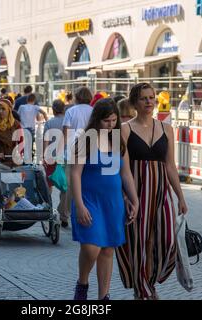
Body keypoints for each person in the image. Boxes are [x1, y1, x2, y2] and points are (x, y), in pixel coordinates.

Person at [116, 83, 188, 300]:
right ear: (134, 103)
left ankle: (147, 282)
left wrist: (180, 197)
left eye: (151, 97)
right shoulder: (125, 129)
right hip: (136, 191)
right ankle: (144, 289)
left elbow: (170, 166)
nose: (149, 102)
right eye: (143, 98)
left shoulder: (167, 129)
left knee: (166, 240)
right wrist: (128, 196)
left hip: (161, 191)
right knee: (137, 242)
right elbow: (124, 167)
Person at [71, 98, 139, 300]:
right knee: (91, 248)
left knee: (108, 251)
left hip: (113, 203)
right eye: (105, 121)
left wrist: (134, 200)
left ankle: (104, 297)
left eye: (113, 121)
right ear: (96, 120)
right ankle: (82, 283)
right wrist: (79, 205)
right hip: (88, 200)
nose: (110, 125)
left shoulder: (118, 142)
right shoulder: (85, 140)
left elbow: (126, 174)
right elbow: (75, 174)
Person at [62, 86, 94, 228]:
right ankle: (86, 213)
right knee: (86, 183)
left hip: (72, 151)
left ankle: (65, 214)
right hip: (90, 152)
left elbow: (66, 132)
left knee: (69, 185)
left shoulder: (70, 111)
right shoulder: (94, 111)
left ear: (76, 97)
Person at [43, 99, 67, 214]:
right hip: (66, 157)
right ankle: (62, 209)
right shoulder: (68, 122)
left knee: (49, 182)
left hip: (51, 157)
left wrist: (44, 156)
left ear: (53, 110)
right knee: (64, 184)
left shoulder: (49, 123)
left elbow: (46, 141)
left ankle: (48, 204)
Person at [0, 99, 24, 167]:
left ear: (8, 110)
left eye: (3, 109)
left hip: (12, 158)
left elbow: (21, 141)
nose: (0, 111)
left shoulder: (16, 124)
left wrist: (20, 153)